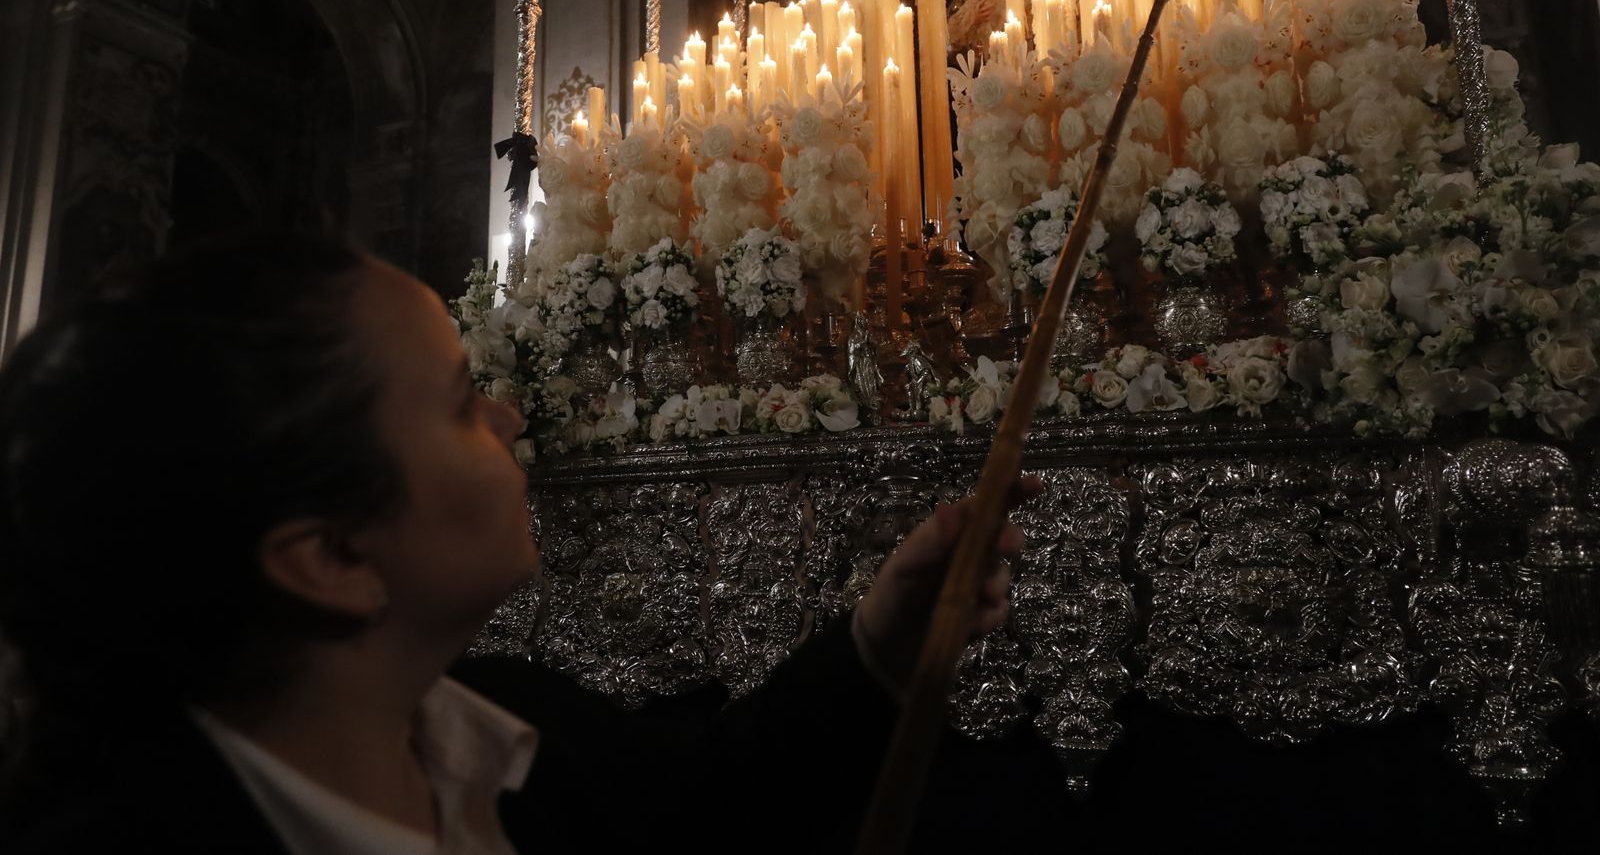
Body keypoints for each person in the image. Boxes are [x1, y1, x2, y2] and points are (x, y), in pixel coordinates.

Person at [0, 231, 1029, 853]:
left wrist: (881, 644)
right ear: (334, 559)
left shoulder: (507, 721)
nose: (502, 418)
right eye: (455, 403)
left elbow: (708, 811)